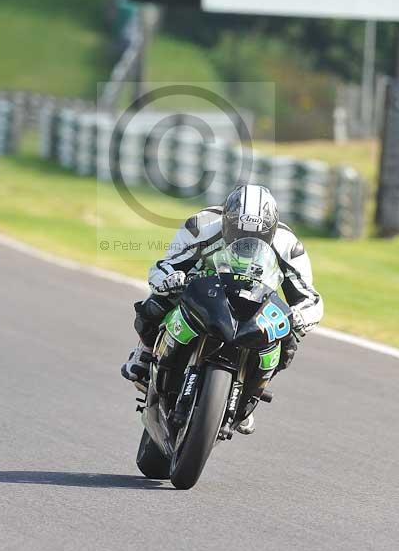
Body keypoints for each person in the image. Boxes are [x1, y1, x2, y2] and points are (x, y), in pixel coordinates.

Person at [121, 183, 324, 434]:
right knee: (157, 301)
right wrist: (171, 280)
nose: (247, 240)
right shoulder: (201, 226)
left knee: (288, 338)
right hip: (206, 287)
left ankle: (252, 395)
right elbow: (164, 266)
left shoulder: (289, 246)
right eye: (239, 231)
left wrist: (301, 316)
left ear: (271, 230)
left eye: (258, 235)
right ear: (227, 221)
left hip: (256, 298)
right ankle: (145, 350)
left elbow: (310, 298)